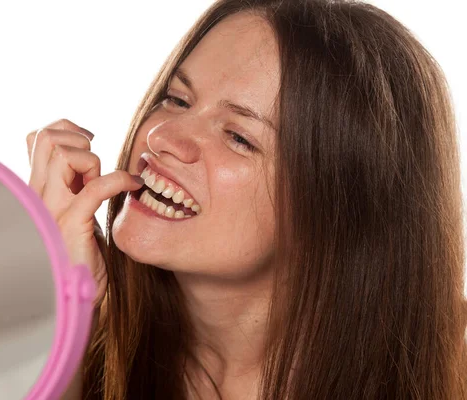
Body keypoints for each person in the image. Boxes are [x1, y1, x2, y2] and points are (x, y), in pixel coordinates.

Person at [26, 0, 467, 398]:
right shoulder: (66, 340)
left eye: (239, 137)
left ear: (337, 212)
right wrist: (63, 306)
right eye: (177, 99)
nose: (160, 137)